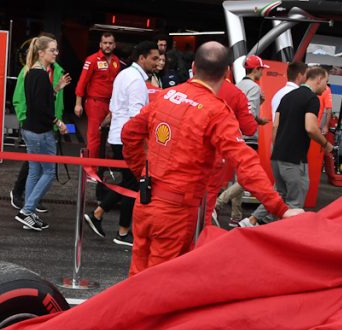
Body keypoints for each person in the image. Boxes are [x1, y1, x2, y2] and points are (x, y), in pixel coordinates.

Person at [121, 42, 304, 274]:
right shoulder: (216, 111)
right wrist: (280, 208)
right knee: (160, 281)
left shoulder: (165, 95)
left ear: (194, 66)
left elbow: (129, 133)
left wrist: (142, 172)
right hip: (177, 211)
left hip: (147, 200)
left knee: (137, 276)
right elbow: (245, 161)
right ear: (226, 72)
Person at [84, 41, 160, 245]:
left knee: (130, 183)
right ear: (141, 58)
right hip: (129, 139)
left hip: (119, 136)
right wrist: (145, 144)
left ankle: (100, 215)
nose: (157, 62)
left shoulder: (124, 74)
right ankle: (122, 232)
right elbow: (137, 116)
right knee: (133, 185)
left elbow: (114, 106)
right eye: (154, 58)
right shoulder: (136, 81)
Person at [239, 66, 333, 227]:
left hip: (278, 155)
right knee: (295, 202)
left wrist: (276, 149)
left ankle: (251, 220)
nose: (326, 88)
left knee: (279, 194)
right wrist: (326, 143)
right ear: (318, 80)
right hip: (294, 158)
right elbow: (310, 127)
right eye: (326, 82)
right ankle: (283, 233)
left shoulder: (286, 97)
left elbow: (275, 126)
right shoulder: (312, 99)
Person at [14, 35, 70, 231]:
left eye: (56, 50)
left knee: (35, 171)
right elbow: (40, 107)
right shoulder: (39, 75)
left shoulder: (32, 72)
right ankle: (27, 210)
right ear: (41, 53)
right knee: (48, 171)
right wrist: (58, 122)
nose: (56, 53)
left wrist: (56, 89)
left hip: (31, 130)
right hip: (40, 132)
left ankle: (28, 212)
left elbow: (40, 101)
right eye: (52, 50)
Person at [213, 56, 268, 224]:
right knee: (247, 178)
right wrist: (259, 120)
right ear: (256, 69)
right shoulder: (254, 87)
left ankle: (235, 216)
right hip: (247, 138)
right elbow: (249, 113)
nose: (262, 73)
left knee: (239, 178)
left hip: (233, 134)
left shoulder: (238, 85)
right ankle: (218, 203)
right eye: (261, 70)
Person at [74, 33, 120, 159]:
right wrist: (78, 104)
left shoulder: (116, 61)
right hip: (95, 102)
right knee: (94, 136)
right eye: (105, 43)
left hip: (111, 104)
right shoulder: (92, 59)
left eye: (110, 43)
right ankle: (91, 167)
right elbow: (82, 82)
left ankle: (101, 165)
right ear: (100, 44)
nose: (107, 45)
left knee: (110, 136)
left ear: (114, 45)